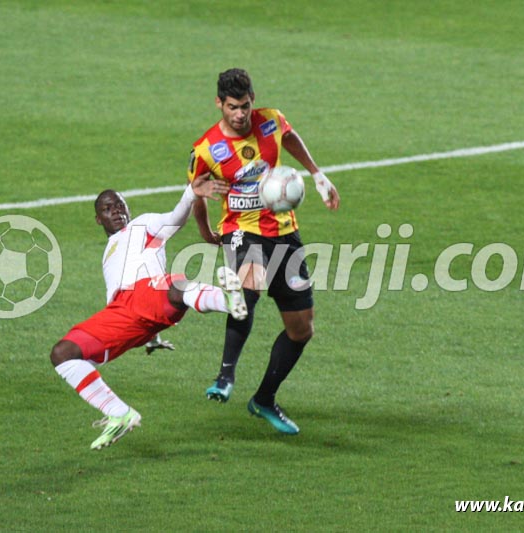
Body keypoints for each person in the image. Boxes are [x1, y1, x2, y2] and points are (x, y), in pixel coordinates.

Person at [188, 68, 340, 435]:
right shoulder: (206, 148)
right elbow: (197, 193)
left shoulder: (270, 121)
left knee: (302, 329)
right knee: (248, 287)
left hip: (284, 232)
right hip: (240, 230)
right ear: (219, 104)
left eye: (245, 106)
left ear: (252, 99)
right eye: (232, 108)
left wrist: (317, 174)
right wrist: (207, 229)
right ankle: (225, 376)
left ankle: (264, 399)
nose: (240, 114)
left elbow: (290, 137)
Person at [50, 174, 247, 450]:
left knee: (176, 285)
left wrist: (191, 193)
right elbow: (120, 302)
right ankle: (118, 413)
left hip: (149, 294)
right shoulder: (108, 253)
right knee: (62, 353)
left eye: (119, 205)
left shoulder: (144, 224)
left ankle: (229, 301)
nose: (116, 211)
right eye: (108, 209)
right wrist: (150, 337)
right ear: (99, 219)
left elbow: (175, 218)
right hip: (121, 311)